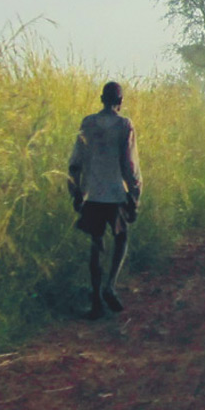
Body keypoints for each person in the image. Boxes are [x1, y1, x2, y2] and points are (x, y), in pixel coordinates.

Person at [67, 81, 142, 320]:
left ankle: (97, 301)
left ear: (101, 98)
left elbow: (76, 160)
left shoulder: (88, 124)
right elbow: (129, 165)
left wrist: (76, 190)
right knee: (121, 238)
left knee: (96, 245)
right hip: (116, 194)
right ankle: (111, 284)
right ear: (120, 102)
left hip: (93, 194)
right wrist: (135, 194)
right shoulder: (124, 125)